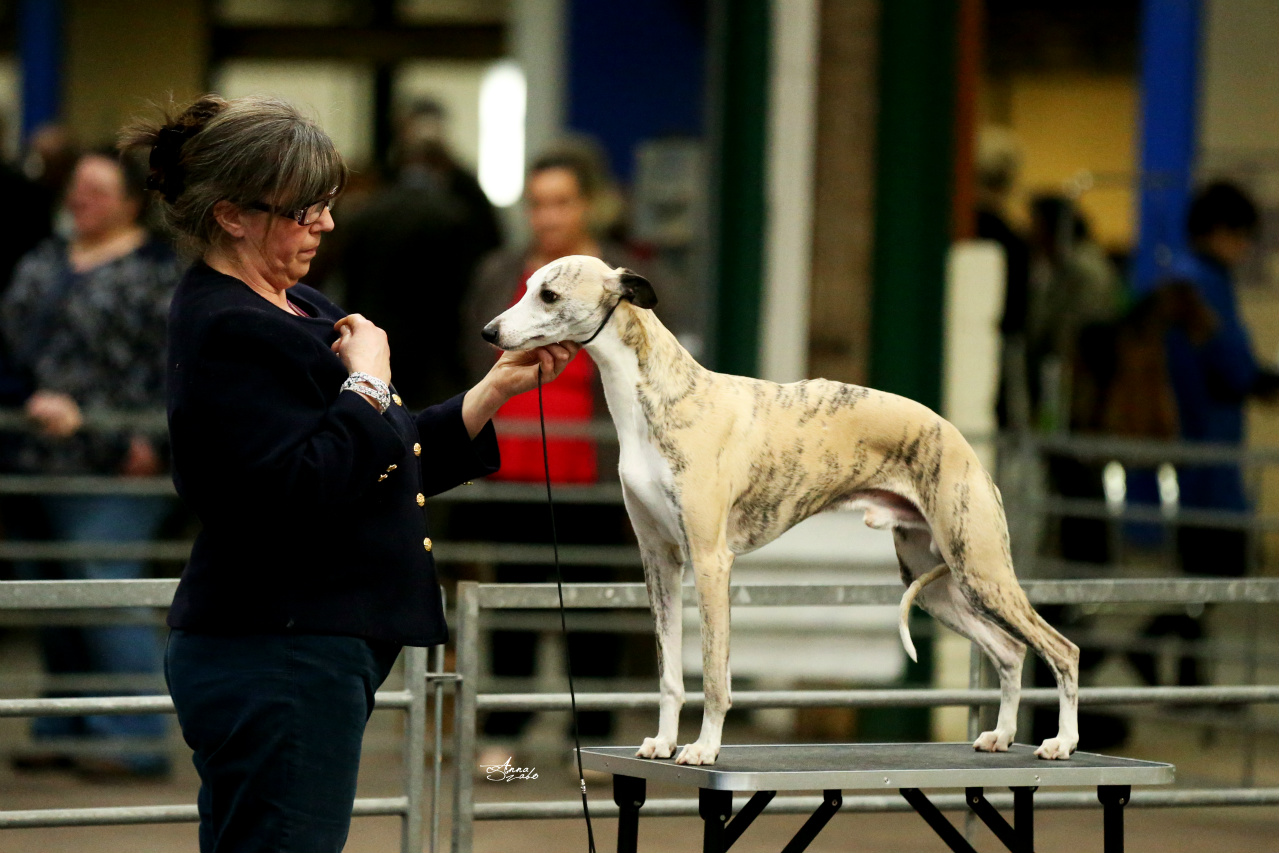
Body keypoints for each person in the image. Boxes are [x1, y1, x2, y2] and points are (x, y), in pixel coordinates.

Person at [121, 94, 577, 852]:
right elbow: (296, 487)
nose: (325, 225)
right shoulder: (226, 323)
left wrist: (495, 388)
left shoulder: (294, 300)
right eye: (304, 210)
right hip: (278, 648)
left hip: (306, 645)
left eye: (326, 205)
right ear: (232, 214)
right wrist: (368, 382)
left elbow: (380, 455)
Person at [461, 142, 668, 756]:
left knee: (596, 603)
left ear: (589, 205)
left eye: (561, 202)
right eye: (538, 204)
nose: (548, 217)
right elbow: (470, 346)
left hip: (596, 465)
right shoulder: (500, 274)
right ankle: (504, 736)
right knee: (512, 602)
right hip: (513, 462)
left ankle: (596, 739)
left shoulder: (620, 278)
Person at [1, 146, 184, 777]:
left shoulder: (158, 272)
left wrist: (153, 440)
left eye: (98, 190)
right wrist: (27, 397)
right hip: (34, 454)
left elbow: (175, 364)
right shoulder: (46, 258)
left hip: (120, 457)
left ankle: (132, 735)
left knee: (106, 587)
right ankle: (67, 720)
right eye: (77, 187)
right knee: (52, 592)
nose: (82, 200)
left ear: (131, 202)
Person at [1129, 181, 1279, 687]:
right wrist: (1260, 379)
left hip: (1187, 443)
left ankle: (1185, 674)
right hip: (1209, 447)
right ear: (1222, 232)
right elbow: (1231, 364)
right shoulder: (1204, 286)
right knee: (1223, 571)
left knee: (1197, 572)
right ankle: (1152, 646)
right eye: (1242, 237)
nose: (1244, 250)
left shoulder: (1177, 282)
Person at [327, 98, 502, 409]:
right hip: (438, 358)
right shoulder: (460, 215)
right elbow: (475, 284)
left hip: (374, 349)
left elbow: (347, 284)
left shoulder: (365, 214)